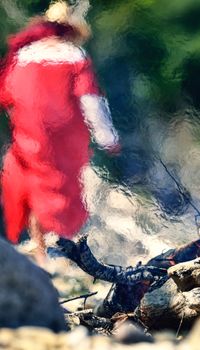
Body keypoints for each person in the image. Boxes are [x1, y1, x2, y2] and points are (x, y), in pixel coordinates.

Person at [0, 1, 120, 264]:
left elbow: (6, 94)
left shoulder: (24, 56)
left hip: (29, 132)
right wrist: (107, 137)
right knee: (61, 189)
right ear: (69, 30)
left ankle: (42, 250)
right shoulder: (75, 57)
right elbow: (90, 99)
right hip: (65, 136)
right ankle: (61, 250)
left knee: (33, 187)